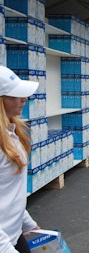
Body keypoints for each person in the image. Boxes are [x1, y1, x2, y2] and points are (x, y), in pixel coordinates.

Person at [0, 66, 40, 252]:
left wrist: (28, 224)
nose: (24, 99)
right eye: (16, 95)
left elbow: (9, 193)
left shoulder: (11, 134)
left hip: (13, 235)